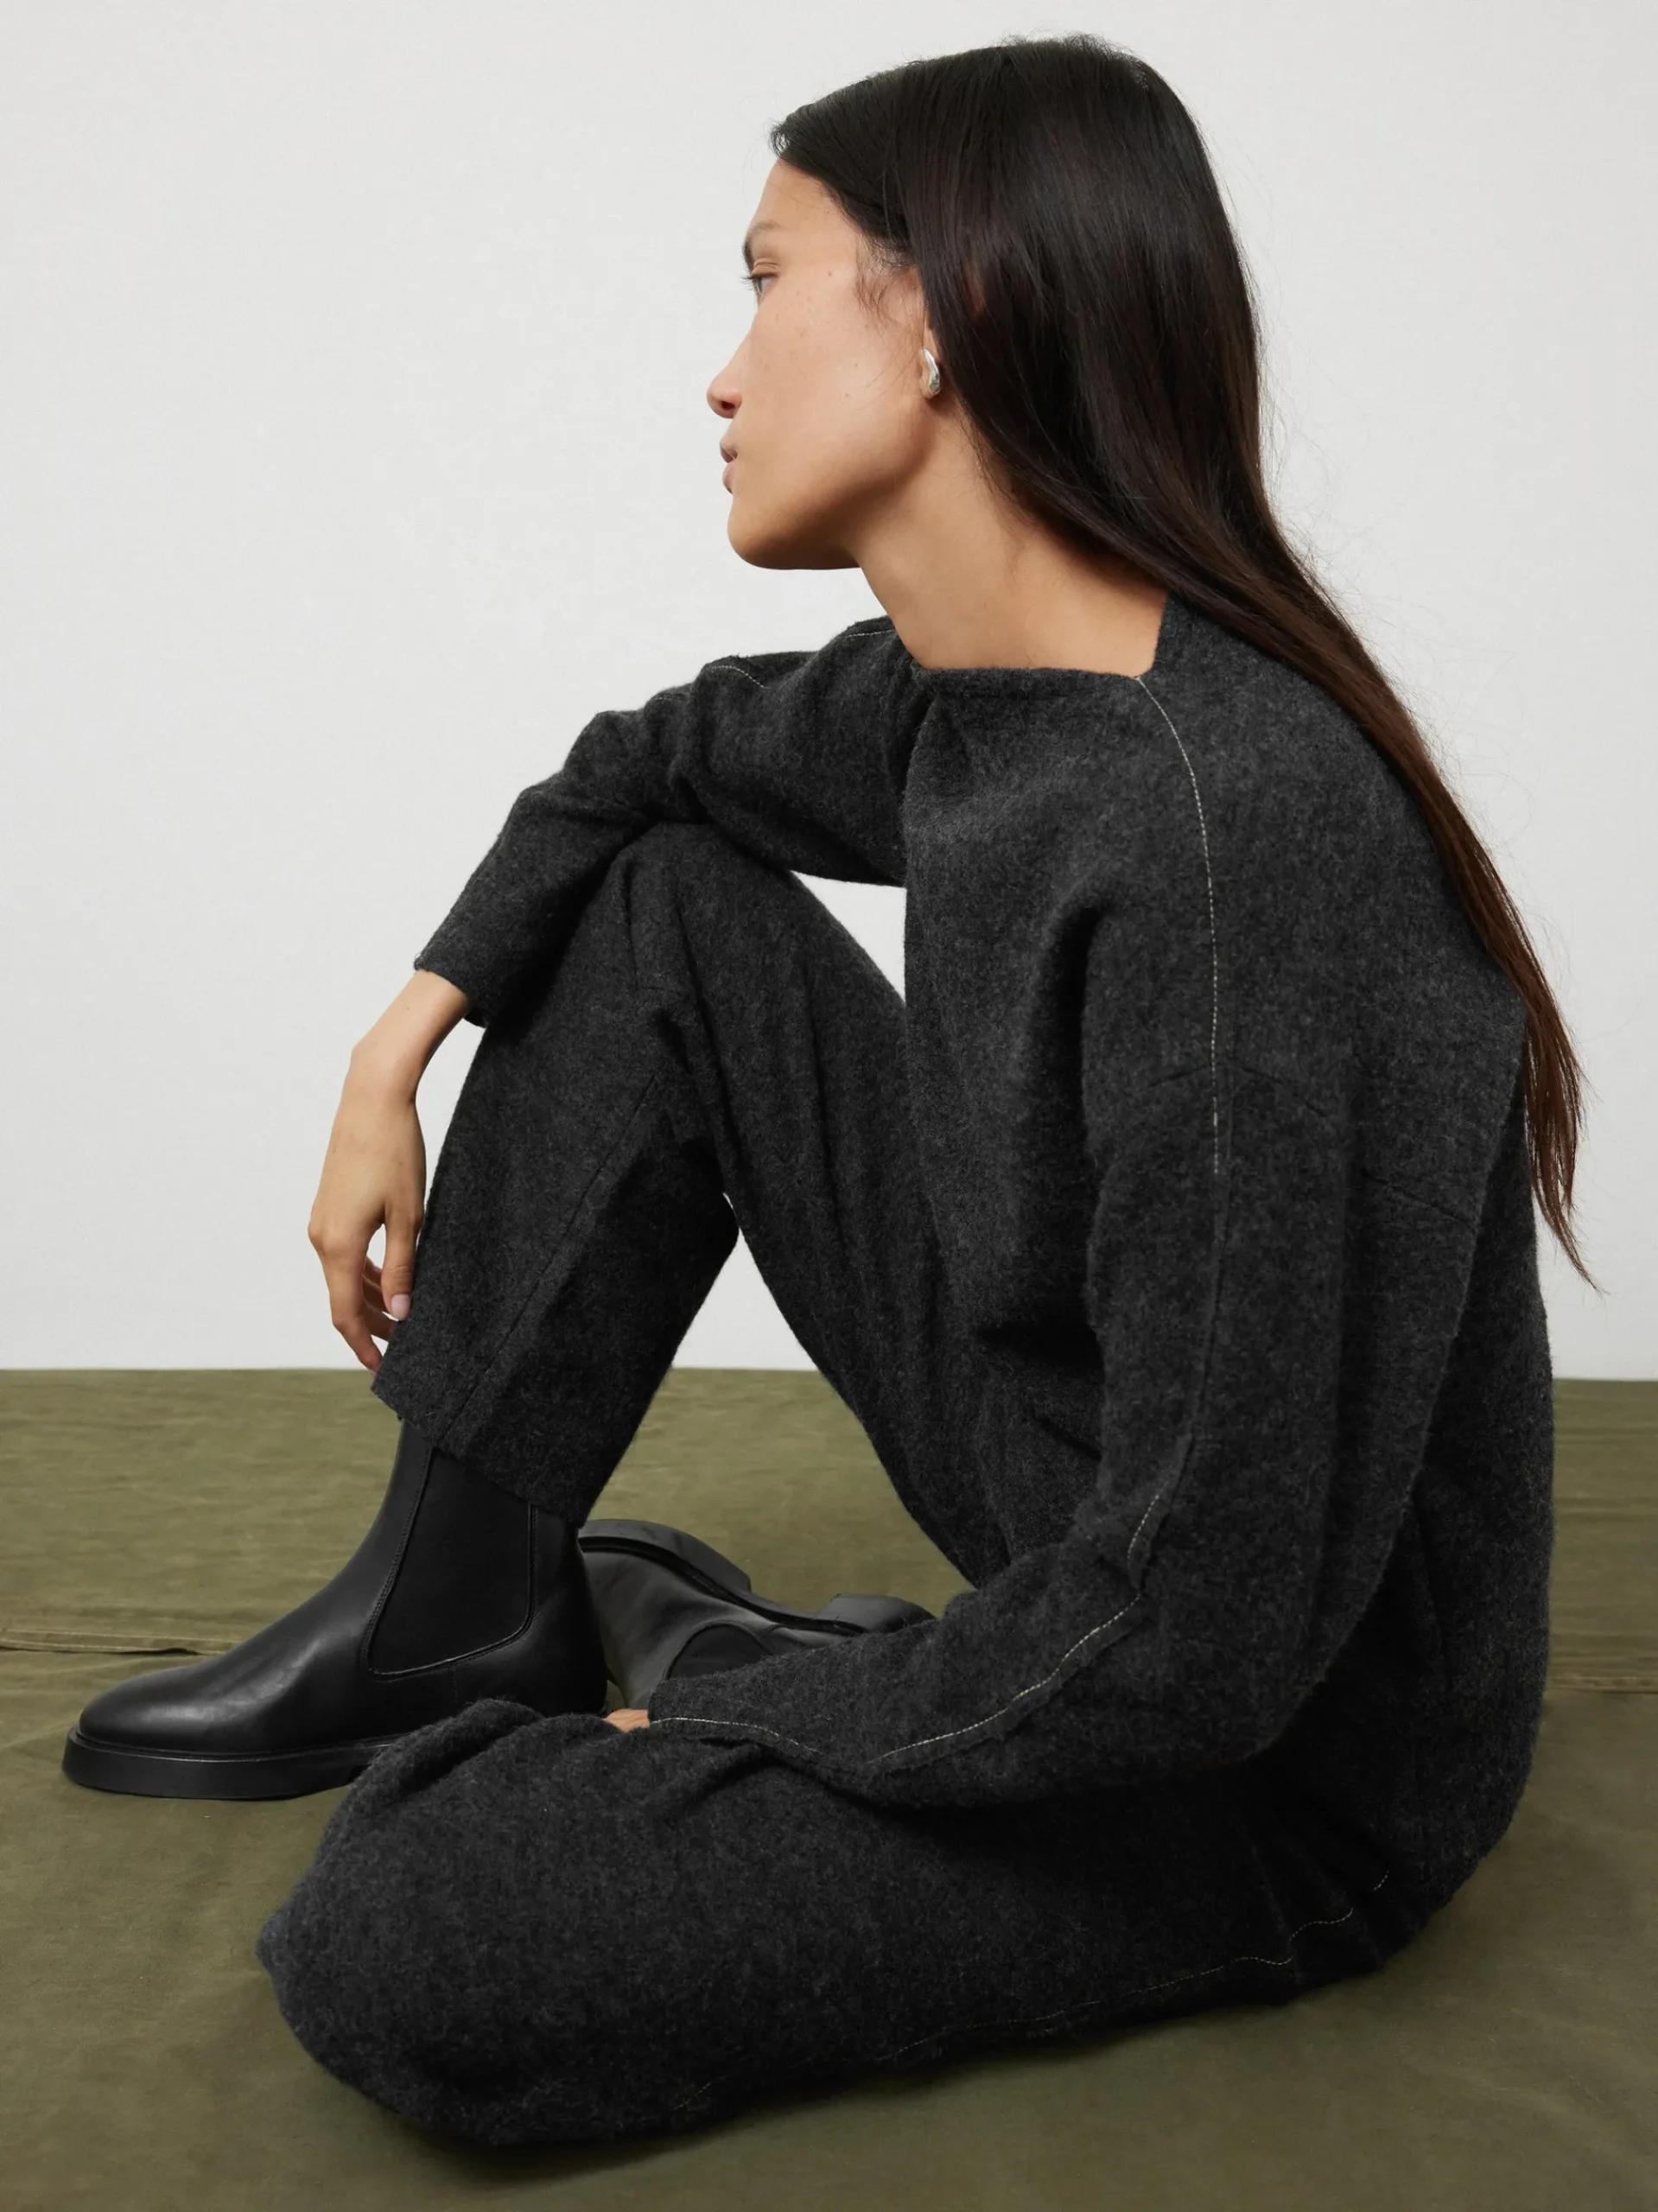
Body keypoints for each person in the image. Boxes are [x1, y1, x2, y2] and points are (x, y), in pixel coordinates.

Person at [61, 32, 1591, 2147]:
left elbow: (1201, 1639)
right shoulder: (986, 705)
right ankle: (445, 1614)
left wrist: (778, 1717)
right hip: (1084, 1500)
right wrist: (395, 1036)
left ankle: (719, 1665)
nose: (718, 374)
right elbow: (646, 763)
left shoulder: (1234, 850)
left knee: (415, 1922)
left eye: (764, 280)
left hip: (1266, 1754)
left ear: (942, 318)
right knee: (658, 905)